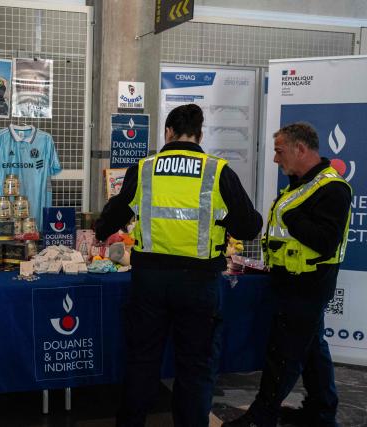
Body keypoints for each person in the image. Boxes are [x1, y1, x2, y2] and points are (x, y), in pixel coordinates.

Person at [95, 104, 262, 427]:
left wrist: (102, 232)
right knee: (195, 367)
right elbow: (250, 227)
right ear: (199, 135)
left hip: (150, 282)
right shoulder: (217, 171)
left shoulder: (144, 168)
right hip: (199, 283)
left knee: (142, 362)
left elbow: (114, 215)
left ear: (168, 133)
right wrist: (223, 218)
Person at [222, 123, 352, 427]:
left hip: (308, 284)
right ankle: (321, 411)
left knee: (284, 355)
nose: (276, 159)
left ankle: (261, 417)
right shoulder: (300, 183)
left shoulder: (332, 188)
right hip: (288, 280)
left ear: (301, 149)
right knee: (313, 352)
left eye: (280, 151)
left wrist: (294, 219)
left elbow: (325, 241)